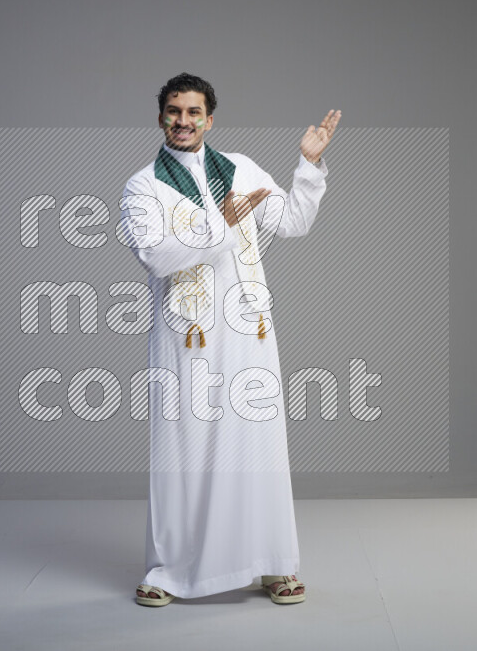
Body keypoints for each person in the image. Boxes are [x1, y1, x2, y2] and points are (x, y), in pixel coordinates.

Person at [118, 73, 341, 606]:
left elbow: (291, 223)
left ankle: (272, 563)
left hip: (248, 328)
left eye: (194, 112)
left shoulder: (239, 169)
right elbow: (157, 256)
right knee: (185, 448)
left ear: (209, 119)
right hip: (187, 335)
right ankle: (170, 569)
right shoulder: (142, 185)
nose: (184, 121)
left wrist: (308, 165)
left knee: (258, 445)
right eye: (174, 111)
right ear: (161, 118)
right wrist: (219, 222)